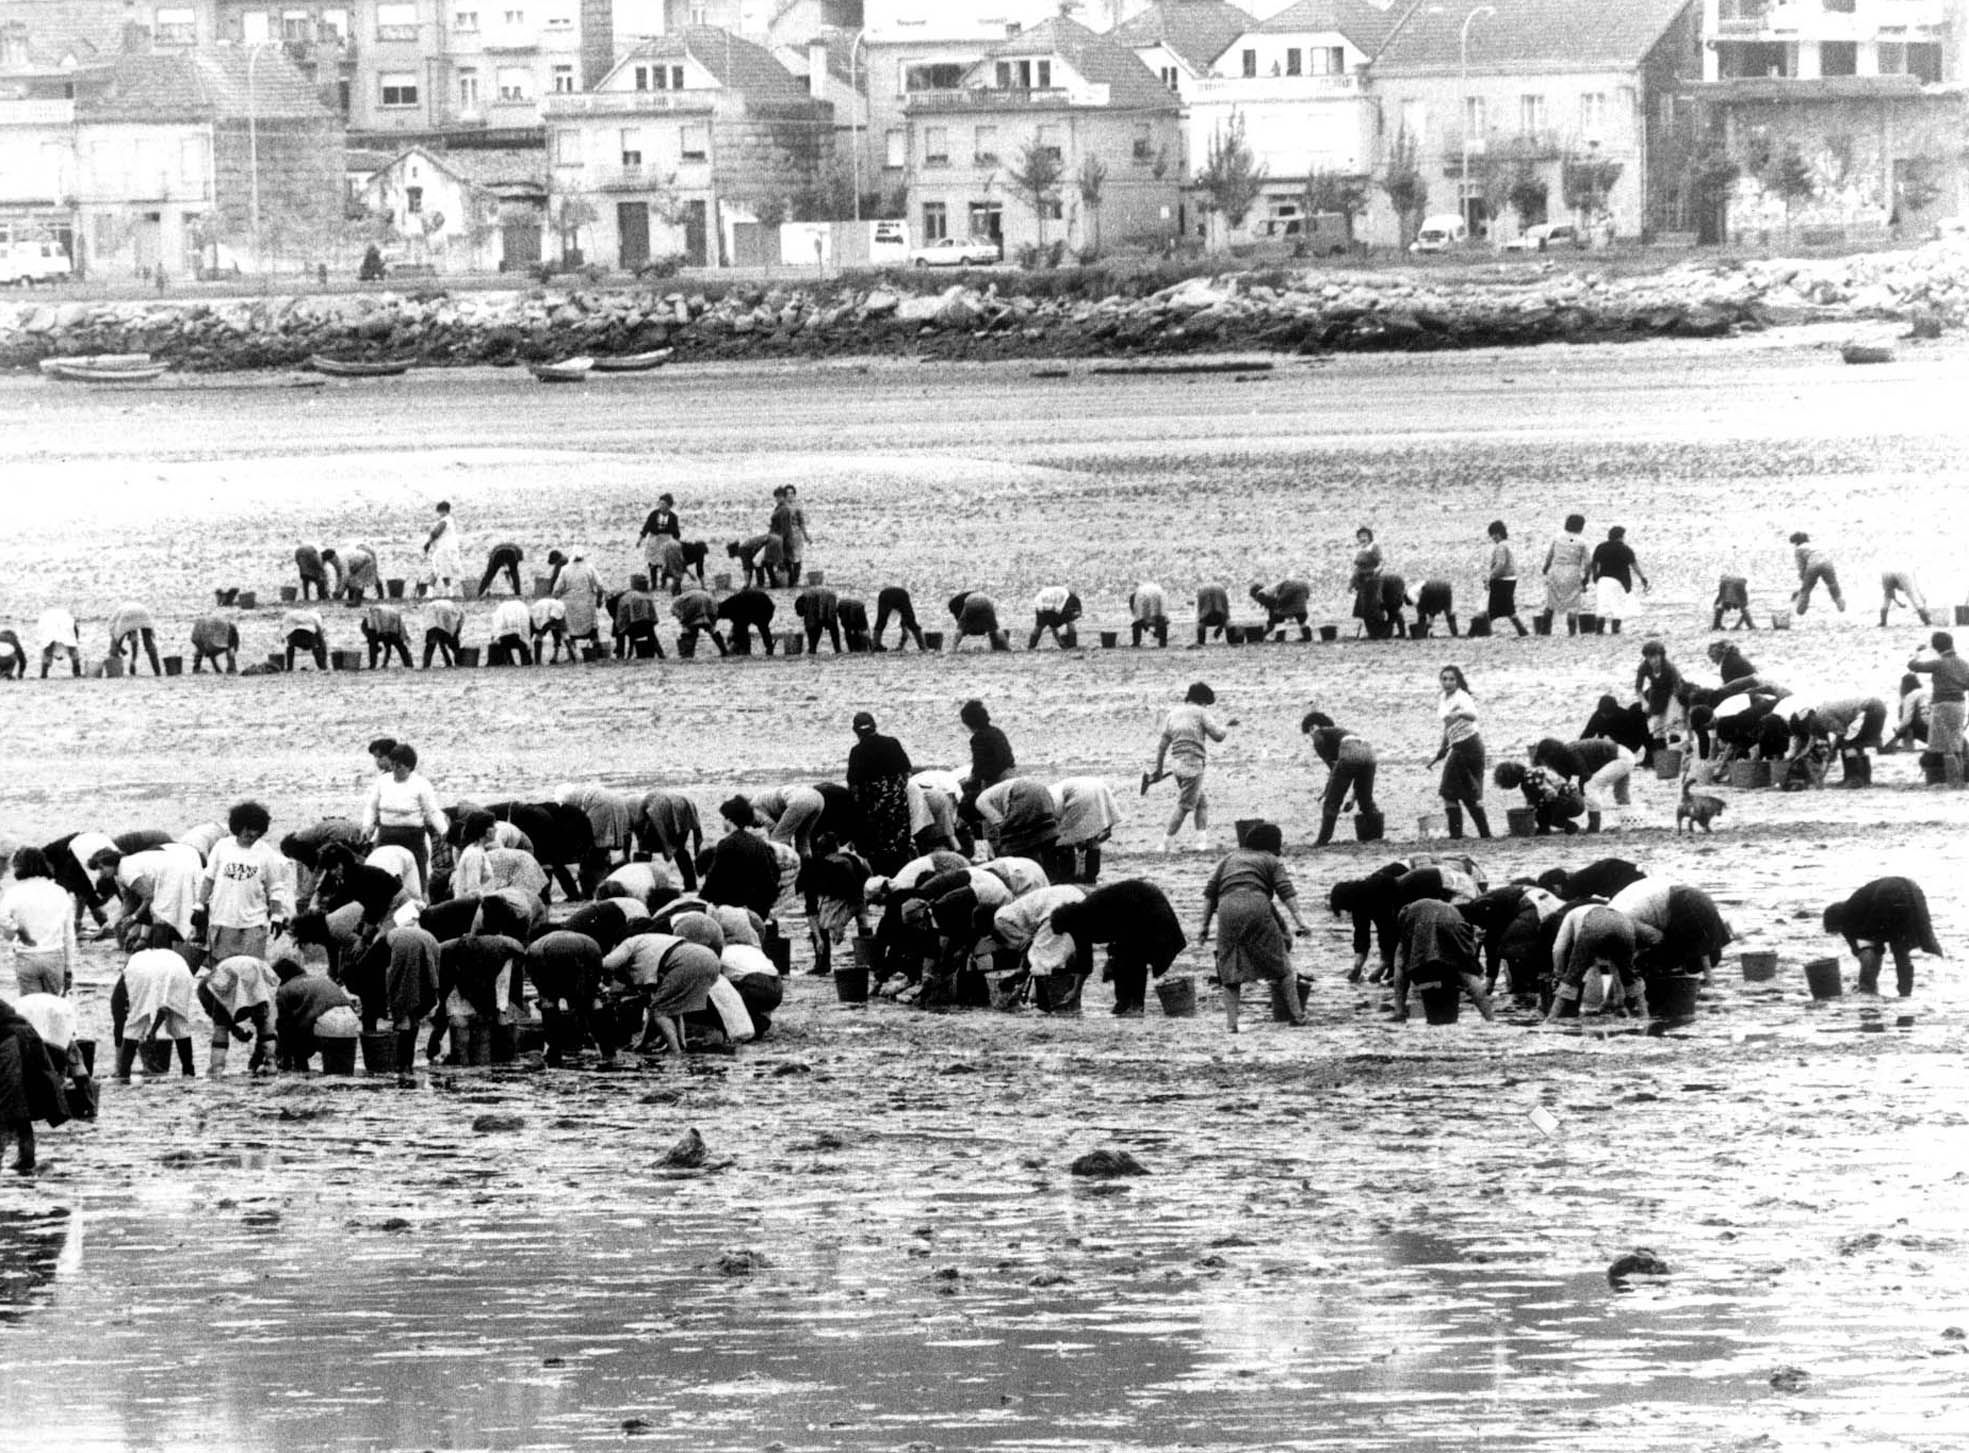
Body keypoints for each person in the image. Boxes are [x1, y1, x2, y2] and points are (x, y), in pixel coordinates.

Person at [1198, 822, 1307, 1033]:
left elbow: (1210, 894)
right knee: (1282, 967)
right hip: (1257, 905)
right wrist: (1301, 921)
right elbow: (1286, 892)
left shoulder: (1229, 858)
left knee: (1229, 971)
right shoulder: (1270, 859)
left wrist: (1204, 926)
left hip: (1227, 909)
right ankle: (1298, 1015)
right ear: (1272, 844)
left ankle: (1231, 1024)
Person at [1048, 879, 1186, 1017]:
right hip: (1137, 911)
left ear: (1069, 925)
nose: (1070, 936)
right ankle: (1126, 1005)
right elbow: (1090, 959)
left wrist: (1075, 990)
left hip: (1148, 908)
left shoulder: (1084, 919)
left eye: (1066, 932)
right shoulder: (1083, 914)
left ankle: (1134, 1006)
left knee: (1132, 960)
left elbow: (1086, 962)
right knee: (1124, 959)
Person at [200, 801, 293, 963]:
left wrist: (277, 915)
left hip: (254, 924)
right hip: (223, 920)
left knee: (250, 970)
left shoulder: (266, 853)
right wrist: (199, 905)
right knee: (222, 971)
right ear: (238, 828)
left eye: (255, 835)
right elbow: (208, 879)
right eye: (247, 833)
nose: (250, 838)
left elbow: (275, 888)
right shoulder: (222, 847)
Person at [1824, 877, 1943, 997]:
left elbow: (1871, 951)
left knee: (1898, 947)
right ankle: (1938, 976)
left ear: (1836, 922)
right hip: (1912, 888)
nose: (1840, 933)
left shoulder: (1848, 918)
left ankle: (1875, 991)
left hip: (1888, 894)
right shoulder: (1857, 905)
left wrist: (1865, 981)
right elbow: (1871, 946)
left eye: (1836, 930)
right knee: (1925, 938)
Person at [1148, 683, 1230, 853]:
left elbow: (1162, 746)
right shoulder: (1202, 713)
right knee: (1184, 806)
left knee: (1201, 803)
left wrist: (1159, 770)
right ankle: (1164, 844)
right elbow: (1218, 736)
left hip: (1176, 765)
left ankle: (1201, 844)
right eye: (1206, 703)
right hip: (1193, 765)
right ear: (1202, 701)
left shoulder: (1173, 714)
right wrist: (1227, 726)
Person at [1390, 898, 1494, 1023]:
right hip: (1454, 919)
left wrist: (1399, 1008)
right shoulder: (1431, 906)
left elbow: (1401, 966)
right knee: (1466, 970)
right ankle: (1490, 1018)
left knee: (1400, 962)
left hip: (1430, 922)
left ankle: (1399, 1013)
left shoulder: (1407, 916)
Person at [361, 744, 447, 895]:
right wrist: (367, 826)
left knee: (418, 880)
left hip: (413, 838)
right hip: (386, 835)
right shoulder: (383, 782)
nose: (394, 769)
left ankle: (421, 903)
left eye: (399, 766)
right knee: (378, 873)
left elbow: (433, 812)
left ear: (409, 766)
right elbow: (371, 807)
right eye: (392, 764)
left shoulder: (421, 784)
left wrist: (445, 831)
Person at [1545, 903, 1653, 1021]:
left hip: (1595, 923)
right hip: (1625, 923)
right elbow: (1608, 967)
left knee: (1572, 976)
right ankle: (1645, 1016)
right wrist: (1613, 1000)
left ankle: (1550, 1018)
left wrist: (1558, 975)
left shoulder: (1571, 914)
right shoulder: (1608, 908)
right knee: (1629, 974)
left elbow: (1559, 948)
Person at [0, 998, 68, 1172]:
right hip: (27, 1040)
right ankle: (26, 1157)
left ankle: (24, 1157)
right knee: (20, 1105)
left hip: (11, 1043)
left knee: (9, 1105)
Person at [1, 847, 77, 996]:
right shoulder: (59, 892)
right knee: (54, 1006)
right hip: (54, 955)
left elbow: (2, 917)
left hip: (26, 956)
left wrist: (18, 929)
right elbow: (69, 935)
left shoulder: (14, 892)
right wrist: (68, 968)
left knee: (31, 1008)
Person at [115, 944, 198, 1079]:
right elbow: (165, 1007)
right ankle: (188, 1072)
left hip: (145, 971)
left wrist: (118, 1059)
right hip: (180, 969)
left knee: (135, 1022)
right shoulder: (147, 958)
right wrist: (152, 1030)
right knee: (179, 1022)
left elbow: (120, 1021)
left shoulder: (131, 971)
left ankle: (124, 1074)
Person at [847, 712, 914, 875]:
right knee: (899, 850)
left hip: (872, 814)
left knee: (876, 854)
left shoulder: (857, 751)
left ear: (855, 731)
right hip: (897, 808)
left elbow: (853, 786)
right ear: (875, 725)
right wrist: (896, 795)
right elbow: (906, 773)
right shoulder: (892, 743)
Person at [1430, 666, 1491, 839]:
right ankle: (1483, 835)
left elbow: (1473, 715)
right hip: (1457, 745)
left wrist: (1458, 714)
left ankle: (1457, 836)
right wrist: (1443, 747)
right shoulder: (1443, 697)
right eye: (1444, 679)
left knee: (1449, 792)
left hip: (1470, 745)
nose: (1447, 683)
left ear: (1458, 681)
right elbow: (1447, 724)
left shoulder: (1462, 696)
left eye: (1451, 679)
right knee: (1468, 794)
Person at [196, 953, 280, 1077]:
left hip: (228, 974)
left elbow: (221, 1021)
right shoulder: (209, 984)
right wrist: (236, 1030)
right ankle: (271, 1063)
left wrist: (234, 1029)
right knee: (263, 1020)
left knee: (220, 1027)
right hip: (258, 967)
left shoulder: (206, 990)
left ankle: (216, 1067)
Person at [699, 797, 782, 921]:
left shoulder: (727, 843)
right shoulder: (759, 842)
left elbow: (714, 878)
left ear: (729, 820)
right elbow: (773, 873)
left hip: (739, 907)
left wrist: (699, 903)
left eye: (724, 818)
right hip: (761, 905)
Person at [1302, 712, 1377, 847]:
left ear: (1313, 727)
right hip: (1369, 752)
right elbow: (1357, 777)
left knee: (1332, 802)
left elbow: (1334, 769)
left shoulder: (1318, 732)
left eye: (1309, 732)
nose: (1311, 735)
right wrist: (1353, 799)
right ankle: (1375, 836)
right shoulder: (1343, 733)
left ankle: (1322, 840)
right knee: (1366, 801)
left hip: (1350, 752)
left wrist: (1327, 792)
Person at [1531, 737, 1634, 833]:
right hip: (1622, 754)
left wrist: (1581, 794)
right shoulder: (1563, 756)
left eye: (1546, 761)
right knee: (1620, 793)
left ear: (1551, 755)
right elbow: (1563, 780)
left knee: (1591, 786)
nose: (1548, 766)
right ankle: (1629, 824)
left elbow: (1585, 775)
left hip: (1620, 758)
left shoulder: (1571, 752)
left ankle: (1594, 827)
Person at [273, 958, 358, 1070]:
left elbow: (284, 1028)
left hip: (326, 1022)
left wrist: (282, 1059)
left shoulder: (285, 990)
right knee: (343, 1073)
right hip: (351, 1019)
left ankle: (300, 1071)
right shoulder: (322, 980)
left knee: (293, 1037)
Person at [1908, 631, 1969, 787]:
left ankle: (1952, 781)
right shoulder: (1963, 663)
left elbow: (1913, 666)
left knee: (1944, 745)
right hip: (1960, 705)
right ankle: (1961, 779)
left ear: (1936, 648)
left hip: (1942, 705)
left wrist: (1917, 652)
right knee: (1956, 743)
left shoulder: (1939, 663)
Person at [1785, 695, 1888, 788]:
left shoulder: (1822, 716)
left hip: (1870, 708)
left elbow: (1841, 734)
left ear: (1808, 721)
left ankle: (1854, 779)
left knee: (1847, 743)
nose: (1808, 731)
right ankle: (1865, 779)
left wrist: (1833, 750)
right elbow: (1811, 743)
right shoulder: (1817, 718)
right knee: (1857, 744)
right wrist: (1796, 757)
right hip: (1877, 707)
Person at [958, 699, 1015, 828]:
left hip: (996, 781)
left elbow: (980, 769)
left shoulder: (978, 738)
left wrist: (966, 784)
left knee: (973, 804)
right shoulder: (997, 731)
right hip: (1011, 775)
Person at [1052, 777, 1119, 883]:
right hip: (1099, 786)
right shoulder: (1051, 792)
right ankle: (1091, 877)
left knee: (1065, 842)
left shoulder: (1049, 801)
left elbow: (1060, 835)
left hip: (1079, 793)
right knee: (1092, 839)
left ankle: (1067, 878)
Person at [1493, 759, 1585, 835]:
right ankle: (1562, 826)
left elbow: (1550, 794)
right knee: (1539, 809)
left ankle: (1558, 827)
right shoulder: (1532, 771)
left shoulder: (1528, 781)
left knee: (1538, 811)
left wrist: (1535, 808)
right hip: (1576, 799)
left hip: (1569, 802)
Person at [1589, 526, 1648, 634]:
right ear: (1621, 537)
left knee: (1602, 606)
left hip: (1603, 579)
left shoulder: (1600, 547)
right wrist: (1642, 578)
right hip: (1619, 581)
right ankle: (1615, 630)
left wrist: (1595, 575)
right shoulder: (1625, 549)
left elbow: (1594, 563)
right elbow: (1634, 566)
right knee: (1618, 607)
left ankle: (1599, 630)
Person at [1540, 513, 1590, 635]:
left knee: (1551, 602)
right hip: (1573, 571)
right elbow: (1588, 563)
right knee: (1573, 603)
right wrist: (1586, 579)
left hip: (1556, 570)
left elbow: (1549, 557)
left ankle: (1545, 632)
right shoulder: (1582, 541)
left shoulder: (1557, 537)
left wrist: (1545, 570)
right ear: (1581, 526)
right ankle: (1571, 632)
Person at [1635, 640, 1685, 754]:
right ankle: (1662, 759)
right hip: (1656, 693)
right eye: (1650, 658)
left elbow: (1678, 687)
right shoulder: (1643, 667)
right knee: (1657, 726)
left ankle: (1674, 756)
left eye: (1656, 657)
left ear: (1661, 655)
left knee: (1673, 724)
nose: (1653, 661)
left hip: (1673, 692)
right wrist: (1643, 702)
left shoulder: (1670, 667)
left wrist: (1672, 709)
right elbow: (1638, 688)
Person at [554, 553, 606, 659]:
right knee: (592, 631)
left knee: (570, 630)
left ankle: (572, 655)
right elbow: (600, 586)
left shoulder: (564, 569)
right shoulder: (589, 568)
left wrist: (556, 600)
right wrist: (599, 601)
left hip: (569, 605)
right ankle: (597, 654)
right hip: (587, 603)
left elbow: (556, 590)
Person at [1484, 521, 1529, 636]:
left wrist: (1490, 576)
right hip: (1511, 579)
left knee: (1492, 610)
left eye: (1493, 535)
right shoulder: (1508, 544)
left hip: (1501, 580)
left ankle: (1485, 632)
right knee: (1508, 608)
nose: (1492, 538)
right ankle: (1522, 630)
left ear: (1497, 534)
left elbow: (1500, 564)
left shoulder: (1501, 546)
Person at [1789, 531, 1844, 615]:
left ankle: (1800, 611)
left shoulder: (1799, 549)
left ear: (1796, 542)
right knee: (1833, 586)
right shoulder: (1815, 546)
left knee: (1806, 590)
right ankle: (1841, 607)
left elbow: (1802, 567)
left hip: (1813, 564)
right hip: (1827, 563)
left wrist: (1804, 581)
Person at [717, 587, 777, 656]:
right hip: (762, 604)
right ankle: (767, 647)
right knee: (761, 628)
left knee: (758, 627)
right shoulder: (731, 604)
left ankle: (746, 650)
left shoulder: (731, 607)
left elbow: (739, 625)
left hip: (760, 606)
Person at [107, 602, 163, 675]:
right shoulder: (121, 611)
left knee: (114, 647)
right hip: (143, 612)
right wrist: (133, 660)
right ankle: (157, 671)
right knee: (149, 643)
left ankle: (114, 671)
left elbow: (115, 638)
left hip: (127, 615)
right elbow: (134, 642)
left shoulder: (114, 620)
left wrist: (119, 647)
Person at [611, 586, 666, 659]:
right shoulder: (645, 596)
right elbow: (653, 616)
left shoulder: (622, 599)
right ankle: (661, 654)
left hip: (632, 627)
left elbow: (621, 620)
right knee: (651, 633)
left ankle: (620, 654)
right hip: (647, 624)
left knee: (619, 631)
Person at [672, 587, 727, 657]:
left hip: (692, 614)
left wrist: (682, 619)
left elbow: (673, 608)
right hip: (707, 613)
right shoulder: (708, 595)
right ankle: (724, 650)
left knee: (687, 631)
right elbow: (715, 609)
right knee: (712, 630)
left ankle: (686, 653)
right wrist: (713, 622)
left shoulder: (682, 597)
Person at [424, 501, 464, 595]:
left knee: (436, 569)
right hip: (449, 549)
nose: (439, 514)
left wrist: (428, 543)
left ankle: (429, 593)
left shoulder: (444, 520)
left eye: (439, 512)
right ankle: (450, 593)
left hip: (444, 549)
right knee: (445, 571)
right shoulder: (450, 520)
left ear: (443, 511)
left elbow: (435, 533)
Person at [872, 586, 928, 652]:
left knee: (881, 622)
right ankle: (923, 647)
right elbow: (906, 629)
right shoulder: (904, 604)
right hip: (901, 595)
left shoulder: (885, 595)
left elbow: (905, 631)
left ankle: (876, 646)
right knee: (911, 623)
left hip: (885, 595)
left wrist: (901, 646)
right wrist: (901, 645)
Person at [361, 603, 414, 669]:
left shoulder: (370, 617)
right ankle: (408, 664)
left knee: (372, 644)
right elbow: (401, 626)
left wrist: (379, 632)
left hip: (381, 624)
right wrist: (405, 636)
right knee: (400, 646)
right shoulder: (392, 611)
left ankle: (372, 665)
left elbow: (375, 621)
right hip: (393, 622)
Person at [1028, 586, 1082, 650]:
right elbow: (1074, 617)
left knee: (1039, 626)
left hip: (1041, 600)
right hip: (1052, 599)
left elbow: (1053, 626)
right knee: (1070, 622)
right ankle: (1073, 645)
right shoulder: (1072, 599)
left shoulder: (1062, 595)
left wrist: (1061, 643)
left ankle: (1031, 646)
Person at [796, 585, 844, 654]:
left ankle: (812, 649)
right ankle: (838, 649)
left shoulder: (805, 599)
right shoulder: (807, 596)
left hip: (819, 602)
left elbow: (809, 626)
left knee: (812, 629)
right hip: (830, 600)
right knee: (833, 628)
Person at [35, 607, 81, 678]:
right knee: (72, 648)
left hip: (51, 626)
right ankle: (77, 672)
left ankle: (43, 674)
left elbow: (40, 632)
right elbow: (75, 629)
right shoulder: (67, 616)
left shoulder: (46, 616)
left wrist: (42, 641)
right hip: (60, 626)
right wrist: (76, 639)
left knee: (47, 650)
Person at [486, 598, 533, 665]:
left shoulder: (501, 609)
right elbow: (526, 625)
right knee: (523, 644)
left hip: (503, 636)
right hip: (519, 636)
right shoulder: (521, 607)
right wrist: (527, 641)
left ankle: (509, 661)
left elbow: (496, 626)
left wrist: (495, 638)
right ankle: (525, 661)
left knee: (503, 643)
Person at [282, 605, 328, 672]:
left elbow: (284, 631)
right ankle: (322, 666)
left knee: (290, 646)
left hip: (293, 633)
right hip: (308, 633)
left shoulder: (290, 615)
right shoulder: (315, 617)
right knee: (316, 646)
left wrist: (287, 640)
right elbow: (320, 638)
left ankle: (289, 668)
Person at [422, 596, 465, 668]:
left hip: (432, 610)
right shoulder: (460, 611)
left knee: (432, 641)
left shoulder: (457, 609)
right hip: (446, 612)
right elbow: (458, 625)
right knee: (453, 643)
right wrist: (455, 633)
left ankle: (426, 665)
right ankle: (458, 662)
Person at [529, 596, 569, 663]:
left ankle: (538, 661)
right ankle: (572, 657)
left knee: (539, 634)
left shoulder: (539, 605)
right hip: (547, 611)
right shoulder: (558, 605)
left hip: (543, 611)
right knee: (563, 634)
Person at [1128, 582, 1169, 647]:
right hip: (1159, 593)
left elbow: (1138, 616)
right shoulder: (1141, 591)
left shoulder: (1136, 595)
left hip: (1144, 595)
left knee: (1137, 624)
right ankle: (1163, 642)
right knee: (1161, 619)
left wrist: (1144, 624)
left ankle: (1136, 643)